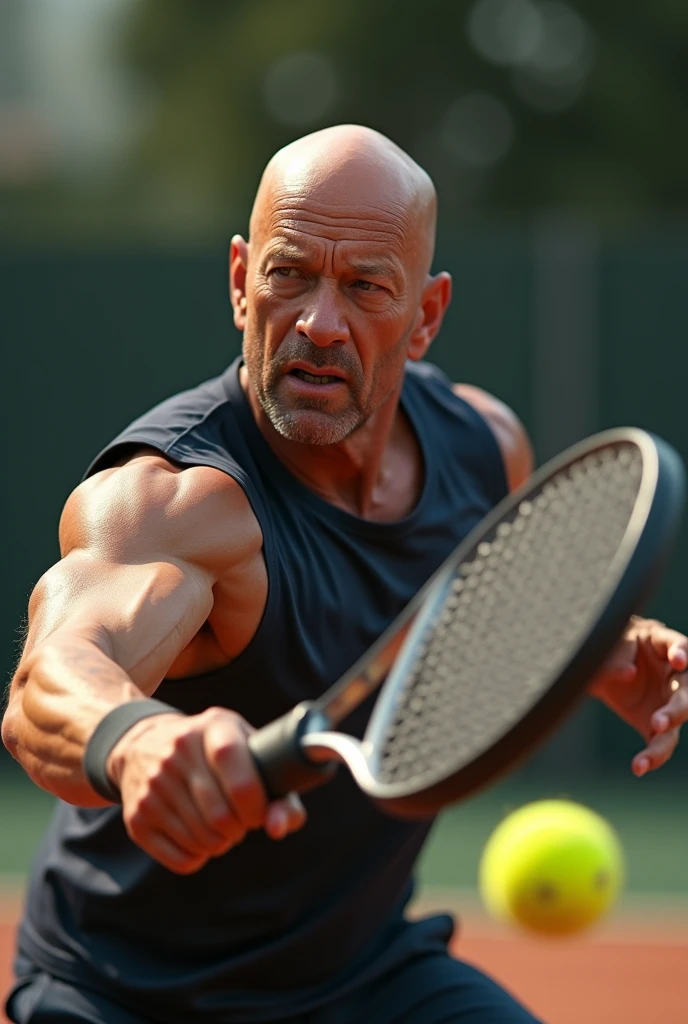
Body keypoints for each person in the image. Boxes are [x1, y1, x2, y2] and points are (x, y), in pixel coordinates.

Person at [3, 124, 687, 1024]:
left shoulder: (484, 451)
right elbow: (50, 679)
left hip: (363, 974)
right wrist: (130, 742)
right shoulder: (178, 503)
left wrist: (576, 652)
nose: (321, 323)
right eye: (291, 274)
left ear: (427, 316)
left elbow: (440, 627)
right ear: (242, 282)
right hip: (130, 989)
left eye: (366, 286)